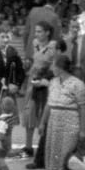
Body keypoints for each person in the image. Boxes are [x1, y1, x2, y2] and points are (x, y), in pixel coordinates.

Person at [38, 53, 85, 170]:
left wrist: (83, 130)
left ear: (60, 67)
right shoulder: (53, 82)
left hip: (70, 122)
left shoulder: (78, 84)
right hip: (54, 122)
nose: (51, 68)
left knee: (70, 158)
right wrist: (42, 123)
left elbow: (82, 108)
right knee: (55, 154)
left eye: (53, 65)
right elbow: (48, 104)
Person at [21, 20, 57, 160]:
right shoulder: (35, 43)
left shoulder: (53, 46)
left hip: (46, 83)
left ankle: (44, 148)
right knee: (29, 112)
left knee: (45, 115)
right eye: (36, 31)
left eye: (40, 31)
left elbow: (54, 66)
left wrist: (45, 78)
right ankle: (28, 147)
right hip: (32, 81)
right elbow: (33, 60)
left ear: (47, 33)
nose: (36, 34)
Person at [0, 29, 25, 115]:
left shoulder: (14, 53)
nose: (5, 39)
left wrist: (16, 84)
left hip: (10, 93)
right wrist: (6, 84)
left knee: (8, 120)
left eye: (7, 37)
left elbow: (20, 71)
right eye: (2, 37)